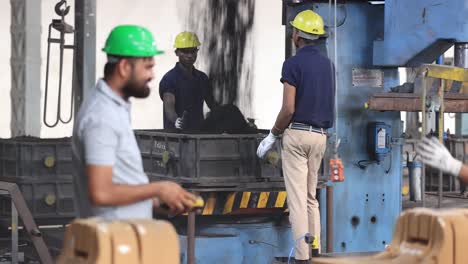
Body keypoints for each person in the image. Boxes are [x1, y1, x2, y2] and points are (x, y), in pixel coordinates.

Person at [72, 25, 196, 220]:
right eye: (147, 66)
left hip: (124, 234)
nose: (152, 75)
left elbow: (119, 184)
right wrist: (159, 188)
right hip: (111, 240)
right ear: (124, 67)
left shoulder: (115, 108)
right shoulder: (102, 117)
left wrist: (155, 202)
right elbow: (101, 193)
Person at [256, 10, 335, 263]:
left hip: (298, 136)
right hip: (321, 136)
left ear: (297, 35)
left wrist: (272, 135)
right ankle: (315, 250)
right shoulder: (328, 65)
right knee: (311, 197)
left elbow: (289, 108)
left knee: (298, 200)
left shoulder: (292, 64)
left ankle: (302, 257)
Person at [159, 31, 216, 131]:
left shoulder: (202, 78)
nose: (190, 55)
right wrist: (176, 120)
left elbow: (212, 104)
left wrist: (224, 115)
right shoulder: (170, 79)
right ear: (177, 53)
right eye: (185, 51)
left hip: (198, 136)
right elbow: (169, 108)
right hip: (175, 138)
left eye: (193, 51)